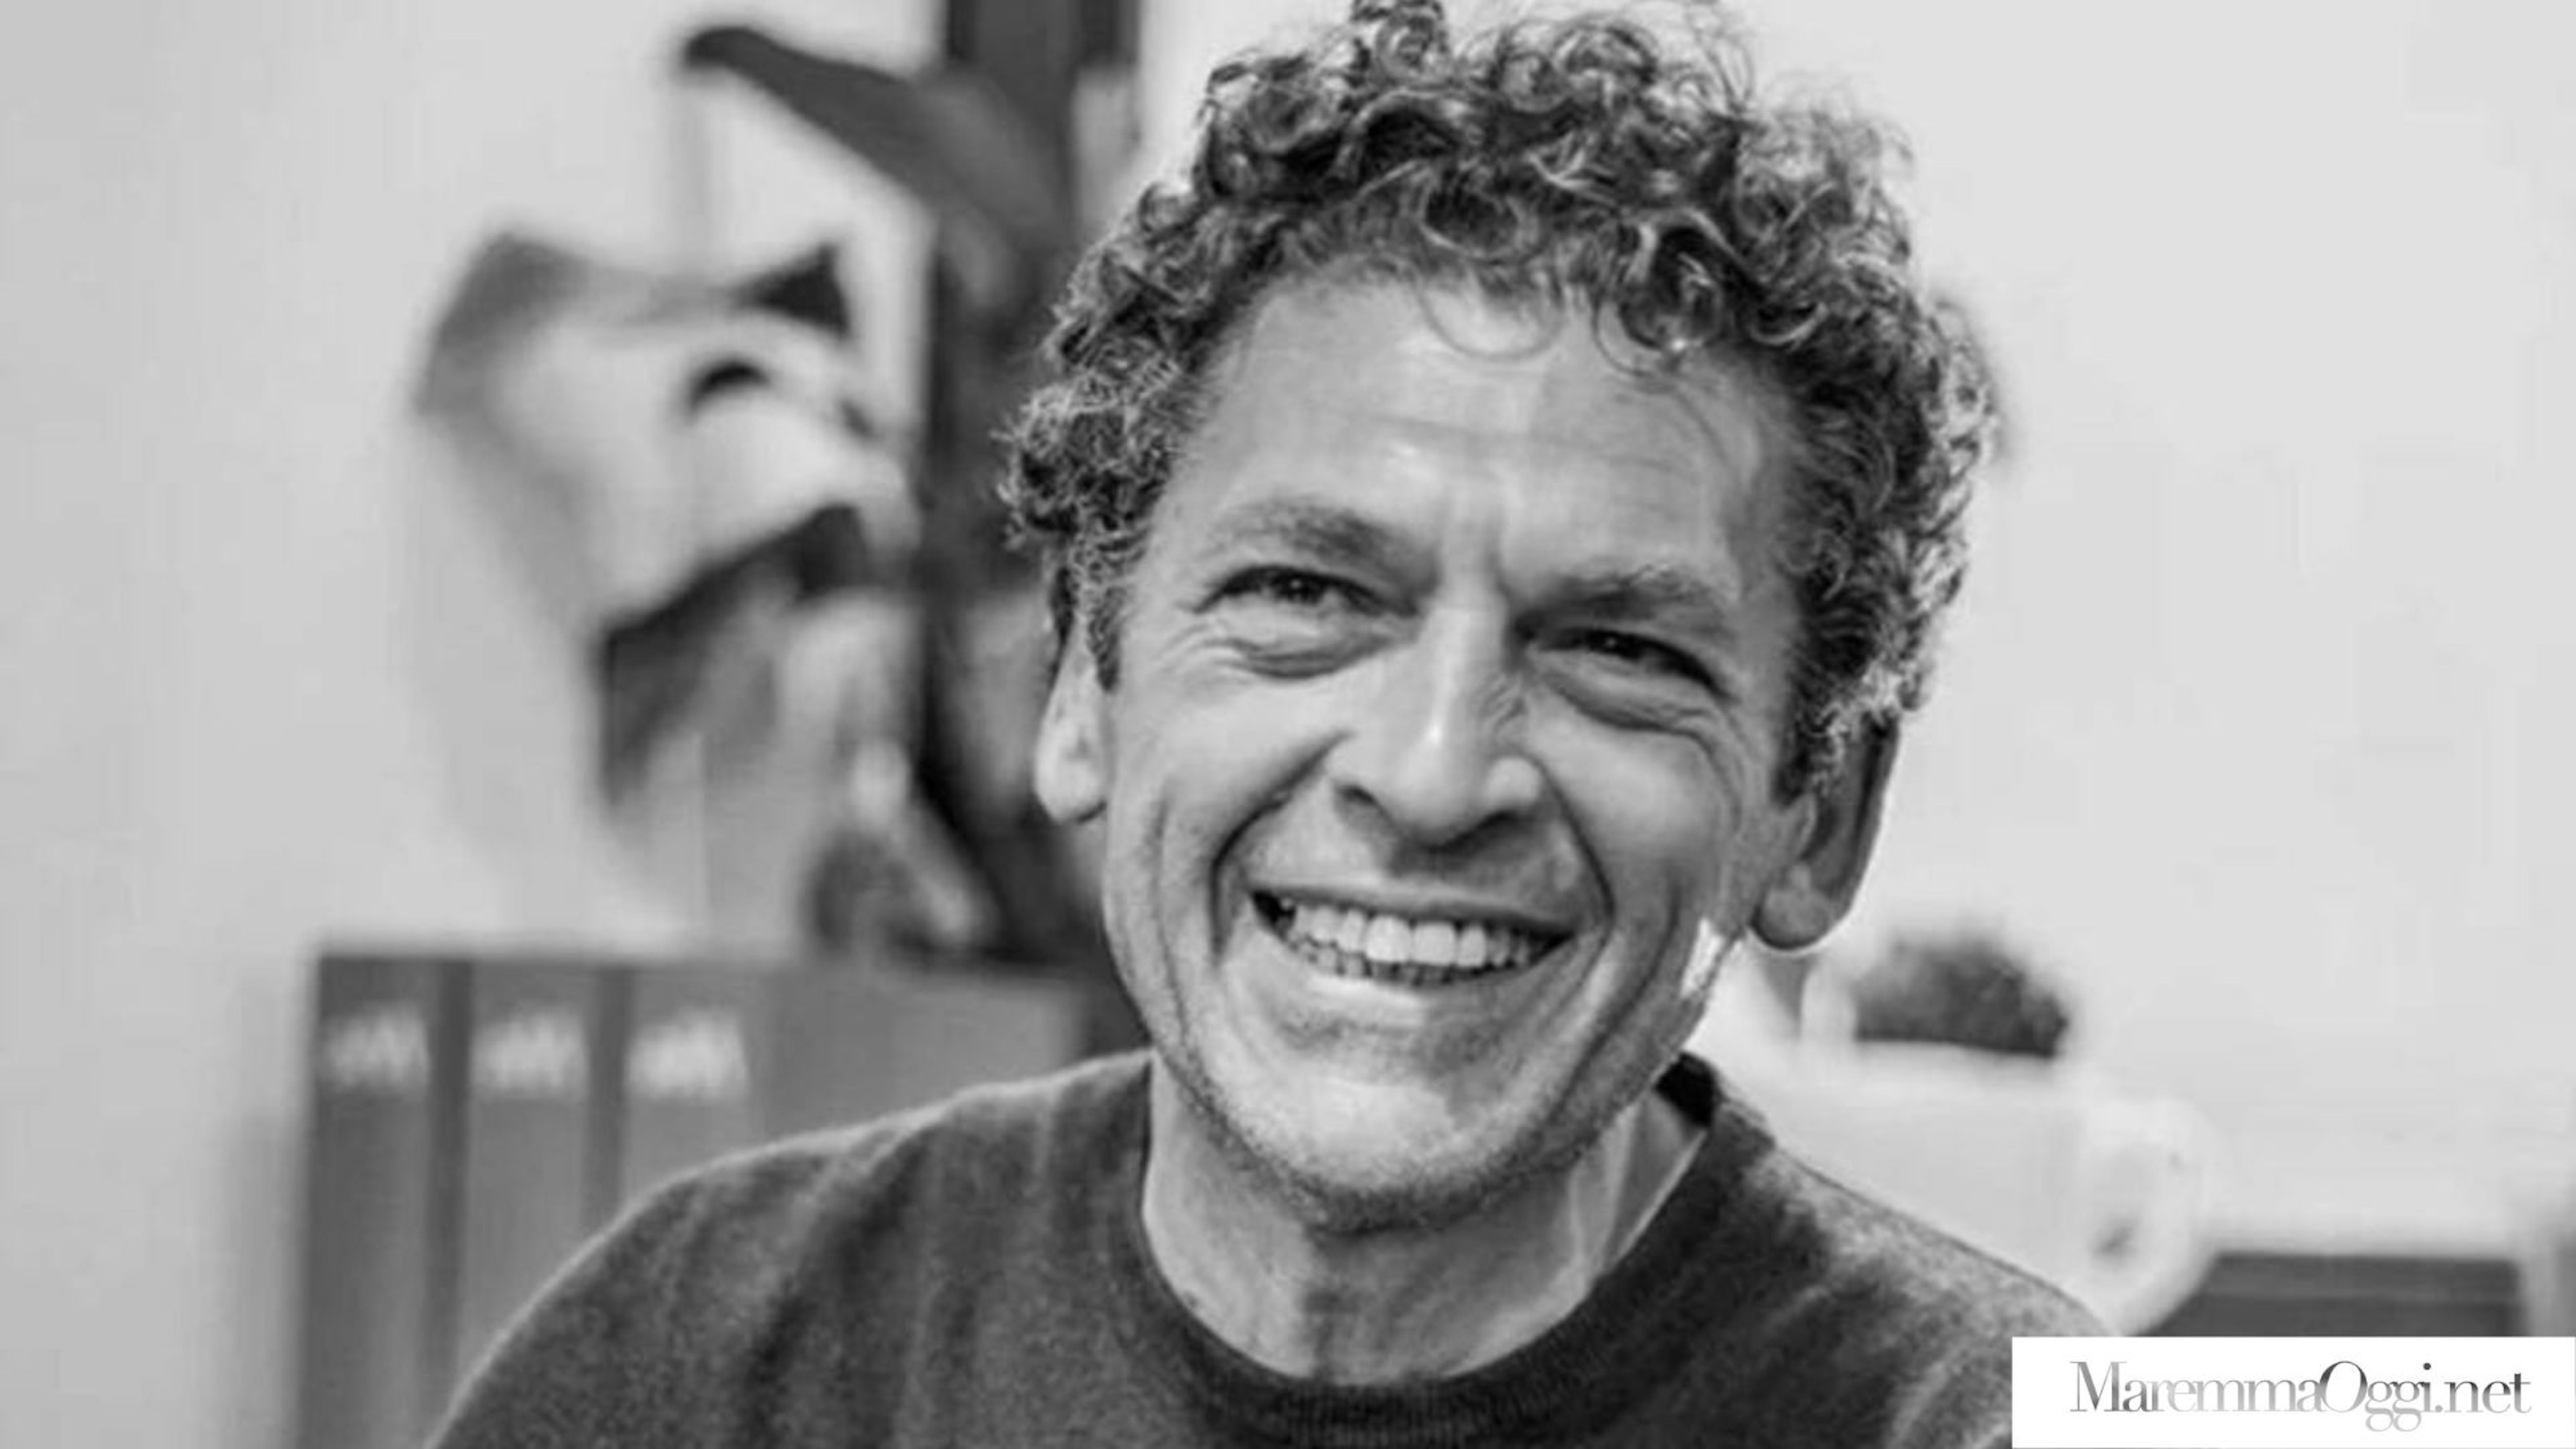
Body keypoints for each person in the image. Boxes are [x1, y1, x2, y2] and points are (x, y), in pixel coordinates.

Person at [432, 2, 2098, 1444]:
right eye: (1307, 594)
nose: (1431, 775)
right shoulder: (699, 1361)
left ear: (1819, 818)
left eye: (1616, 647)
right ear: (1080, 686)